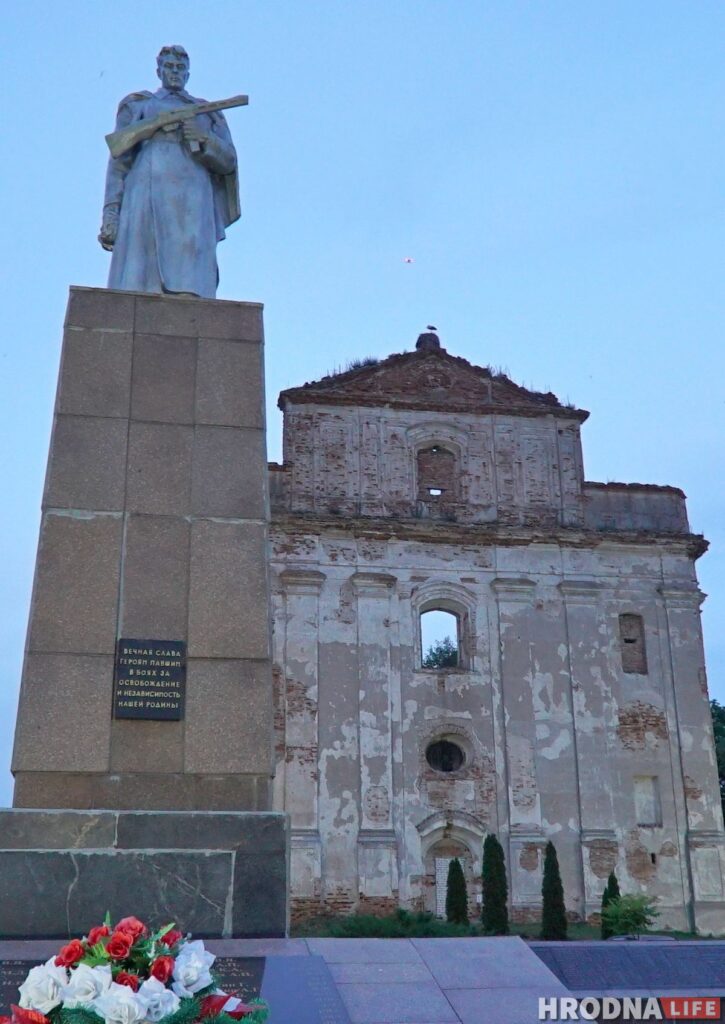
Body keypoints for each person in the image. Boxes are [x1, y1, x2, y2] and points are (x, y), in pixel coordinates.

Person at [99, 45, 240, 298]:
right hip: (145, 189)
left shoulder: (208, 112)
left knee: (191, 277)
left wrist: (204, 139)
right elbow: (119, 160)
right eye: (169, 67)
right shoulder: (139, 104)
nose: (175, 72)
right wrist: (111, 213)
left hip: (193, 196)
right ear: (159, 71)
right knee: (138, 277)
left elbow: (228, 160)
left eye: (180, 68)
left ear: (188, 74)